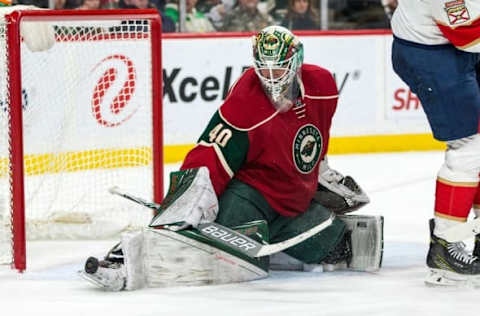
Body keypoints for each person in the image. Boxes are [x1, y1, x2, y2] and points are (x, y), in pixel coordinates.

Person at [80, 26, 382, 291]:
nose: (270, 78)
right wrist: (184, 202)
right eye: (263, 69)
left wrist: (319, 170)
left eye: (278, 69)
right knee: (220, 248)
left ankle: (267, 248)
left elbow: (314, 135)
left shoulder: (323, 87)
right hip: (251, 195)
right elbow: (210, 153)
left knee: (336, 248)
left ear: (296, 62)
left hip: (293, 202)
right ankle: (126, 258)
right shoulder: (247, 101)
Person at [391, 1, 480, 286]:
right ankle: (446, 245)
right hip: (432, 53)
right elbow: (469, 35)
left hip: (447, 44)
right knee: (469, 145)